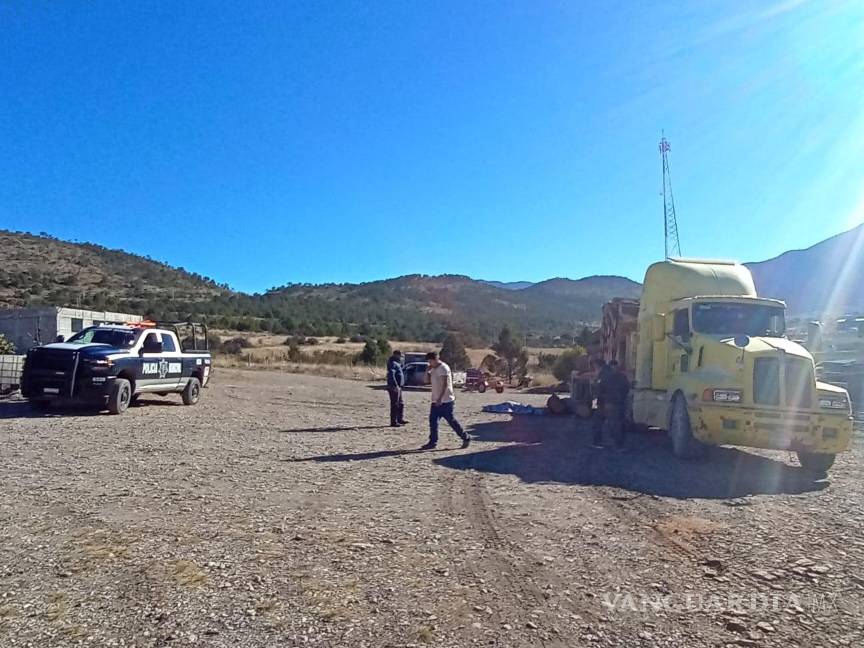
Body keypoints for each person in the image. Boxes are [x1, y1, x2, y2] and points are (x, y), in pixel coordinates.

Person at [420, 351, 470, 450]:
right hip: (435, 401)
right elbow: (425, 381)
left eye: (431, 361)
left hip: (446, 401)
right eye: (429, 362)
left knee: (451, 421)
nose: (430, 363)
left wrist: (440, 399)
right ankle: (432, 442)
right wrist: (427, 371)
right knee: (433, 422)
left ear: (436, 359)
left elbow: (445, 385)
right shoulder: (433, 369)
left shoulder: (443, 368)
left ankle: (465, 437)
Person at [593, 359, 629, 450]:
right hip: (617, 403)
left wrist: (600, 400)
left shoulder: (603, 376)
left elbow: (599, 389)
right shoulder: (622, 376)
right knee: (616, 424)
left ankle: (598, 442)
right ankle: (619, 444)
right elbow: (626, 388)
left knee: (599, 423)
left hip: (606, 403)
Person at [386, 350, 408, 427]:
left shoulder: (397, 363)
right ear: (396, 355)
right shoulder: (392, 363)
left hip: (398, 387)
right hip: (394, 387)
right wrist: (395, 385)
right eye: (399, 356)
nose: (400, 358)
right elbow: (391, 374)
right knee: (395, 404)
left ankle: (399, 419)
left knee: (400, 404)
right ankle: (393, 421)